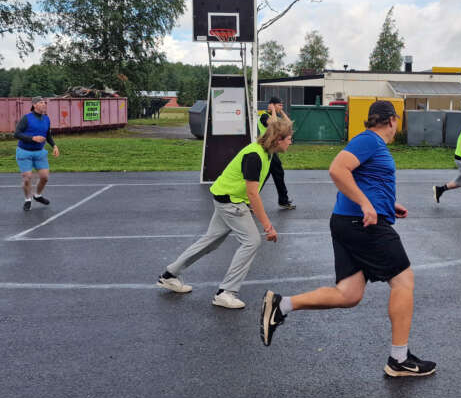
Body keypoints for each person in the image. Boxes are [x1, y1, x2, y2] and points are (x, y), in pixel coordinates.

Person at [259, 100, 436, 378]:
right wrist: (367, 205)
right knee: (403, 281)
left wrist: (388, 205)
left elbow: (364, 180)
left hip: (349, 221)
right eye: (397, 120)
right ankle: (399, 359)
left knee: (348, 294)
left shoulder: (371, 144)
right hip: (363, 224)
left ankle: (282, 305)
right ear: (392, 120)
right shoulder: (370, 141)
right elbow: (337, 169)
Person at [156, 118, 294, 309]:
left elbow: (251, 191)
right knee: (252, 241)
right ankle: (226, 293)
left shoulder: (266, 153)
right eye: (288, 138)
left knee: (210, 241)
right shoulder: (255, 155)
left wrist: (250, 207)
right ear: (278, 139)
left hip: (226, 198)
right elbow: (252, 193)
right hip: (230, 202)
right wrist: (268, 227)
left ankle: (169, 276)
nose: (291, 142)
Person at [14, 97, 60, 212]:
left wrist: (54, 146)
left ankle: (37, 195)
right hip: (24, 152)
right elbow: (16, 134)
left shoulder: (46, 119)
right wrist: (32, 138)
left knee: (44, 177)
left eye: (44, 102)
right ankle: (28, 199)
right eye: (41, 102)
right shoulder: (26, 118)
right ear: (34, 105)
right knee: (27, 177)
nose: (44, 104)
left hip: (39, 153)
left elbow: (48, 135)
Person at [259, 97, 295, 210]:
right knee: (269, 175)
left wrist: (281, 111)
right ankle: (248, 200)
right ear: (272, 105)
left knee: (275, 174)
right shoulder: (264, 116)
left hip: (272, 149)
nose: (281, 107)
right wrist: (274, 110)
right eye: (279, 105)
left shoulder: (276, 116)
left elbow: (289, 123)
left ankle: (283, 200)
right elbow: (273, 124)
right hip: (266, 148)